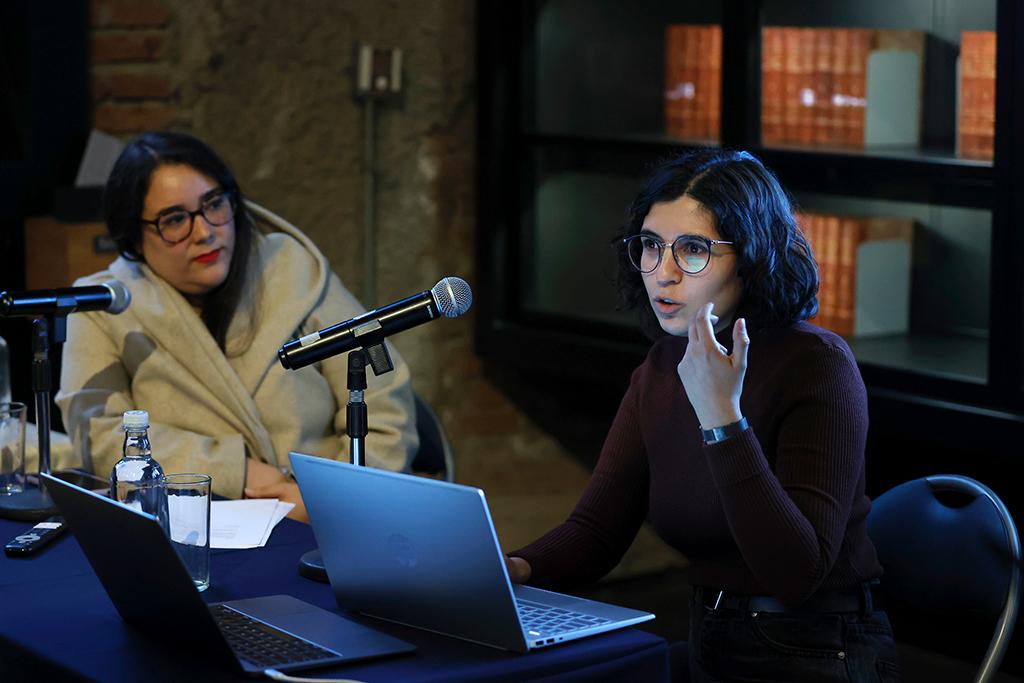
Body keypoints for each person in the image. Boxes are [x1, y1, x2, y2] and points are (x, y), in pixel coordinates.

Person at [505, 149, 900, 682]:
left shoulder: (816, 364)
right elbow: (598, 530)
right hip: (710, 637)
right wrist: (512, 570)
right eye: (650, 246)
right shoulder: (662, 367)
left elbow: (795, 573)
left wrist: (722, 417)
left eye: (693, 250)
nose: (663, 274)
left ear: (753, 256)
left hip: (816, 650)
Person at [56, 131, 418, 521]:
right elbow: (99, 436)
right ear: (134, 238)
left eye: (213, 204)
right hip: (201, 525)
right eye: (174, 220)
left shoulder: (290, 269)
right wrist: (236, 471)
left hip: (331, 516)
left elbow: (386, 409)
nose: (205, 232)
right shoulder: (102, 304)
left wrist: (330, 503)